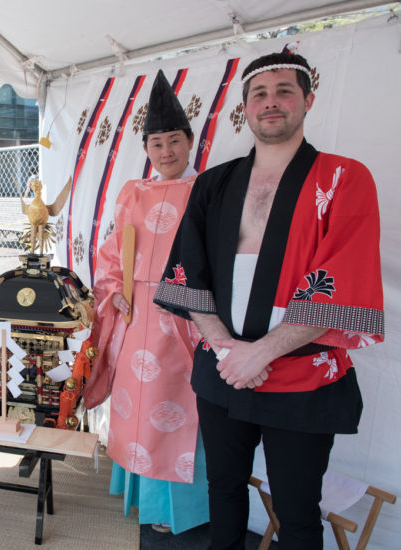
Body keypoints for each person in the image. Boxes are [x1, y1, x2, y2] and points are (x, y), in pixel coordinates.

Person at [153, 50, 384, 550]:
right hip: (221, 368)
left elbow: (344, 281)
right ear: (245, 108)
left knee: (298, 510)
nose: (271, 102)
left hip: (302, 377)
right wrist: (226, 348)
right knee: (224, 490)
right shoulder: (214, 182)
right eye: (259, 93)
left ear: (308, 100)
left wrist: (261, 352)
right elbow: (187, 271)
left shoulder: (345, 179)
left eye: (284, 91)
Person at [85, 69, 208, 535]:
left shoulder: (206, 191)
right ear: (146, 150)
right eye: (156, 145)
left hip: (183, 319)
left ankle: (175, 512)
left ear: (189, 140)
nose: (166, 152)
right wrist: (115, 289)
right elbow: (113, 251)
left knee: (174, 409)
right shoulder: (132, 193)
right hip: (134, 315)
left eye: (174, 141)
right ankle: (138, 498)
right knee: (134, 409)